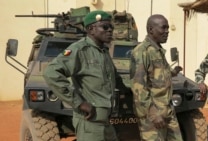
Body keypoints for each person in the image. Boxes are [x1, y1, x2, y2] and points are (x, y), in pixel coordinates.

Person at [43, 10, 129, 141]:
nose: (110, 30)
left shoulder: (103, 51)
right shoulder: (79, 50)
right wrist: (79, 103)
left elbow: (117, 81)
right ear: (91, 29)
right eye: (105, 27)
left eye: (111, 27)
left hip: (106, 123)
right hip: (90, 124)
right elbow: (51, 73)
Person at [130, 14, 183, 141]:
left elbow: (158, 75)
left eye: (168, 28)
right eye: (163, 28)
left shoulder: (157, 50)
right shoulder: (142, 52)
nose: (167, 32)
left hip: (167, 110)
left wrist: (173, 72)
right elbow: (139, 89)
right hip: (152, 114)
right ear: (150, 29)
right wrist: (154, 115)